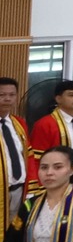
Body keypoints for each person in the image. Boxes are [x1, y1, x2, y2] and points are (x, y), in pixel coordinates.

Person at [28, 79, 73, 186]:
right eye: (71, 95)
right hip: (56, 182)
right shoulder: (45, 124)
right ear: (58, 99)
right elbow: (37, 159)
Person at [1, 76, 28, 223]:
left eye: (12, 95)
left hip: (18, 188)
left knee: (14, 229)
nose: (7, 99)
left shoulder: (19, 123)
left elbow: (27, 155)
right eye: (2, 95)